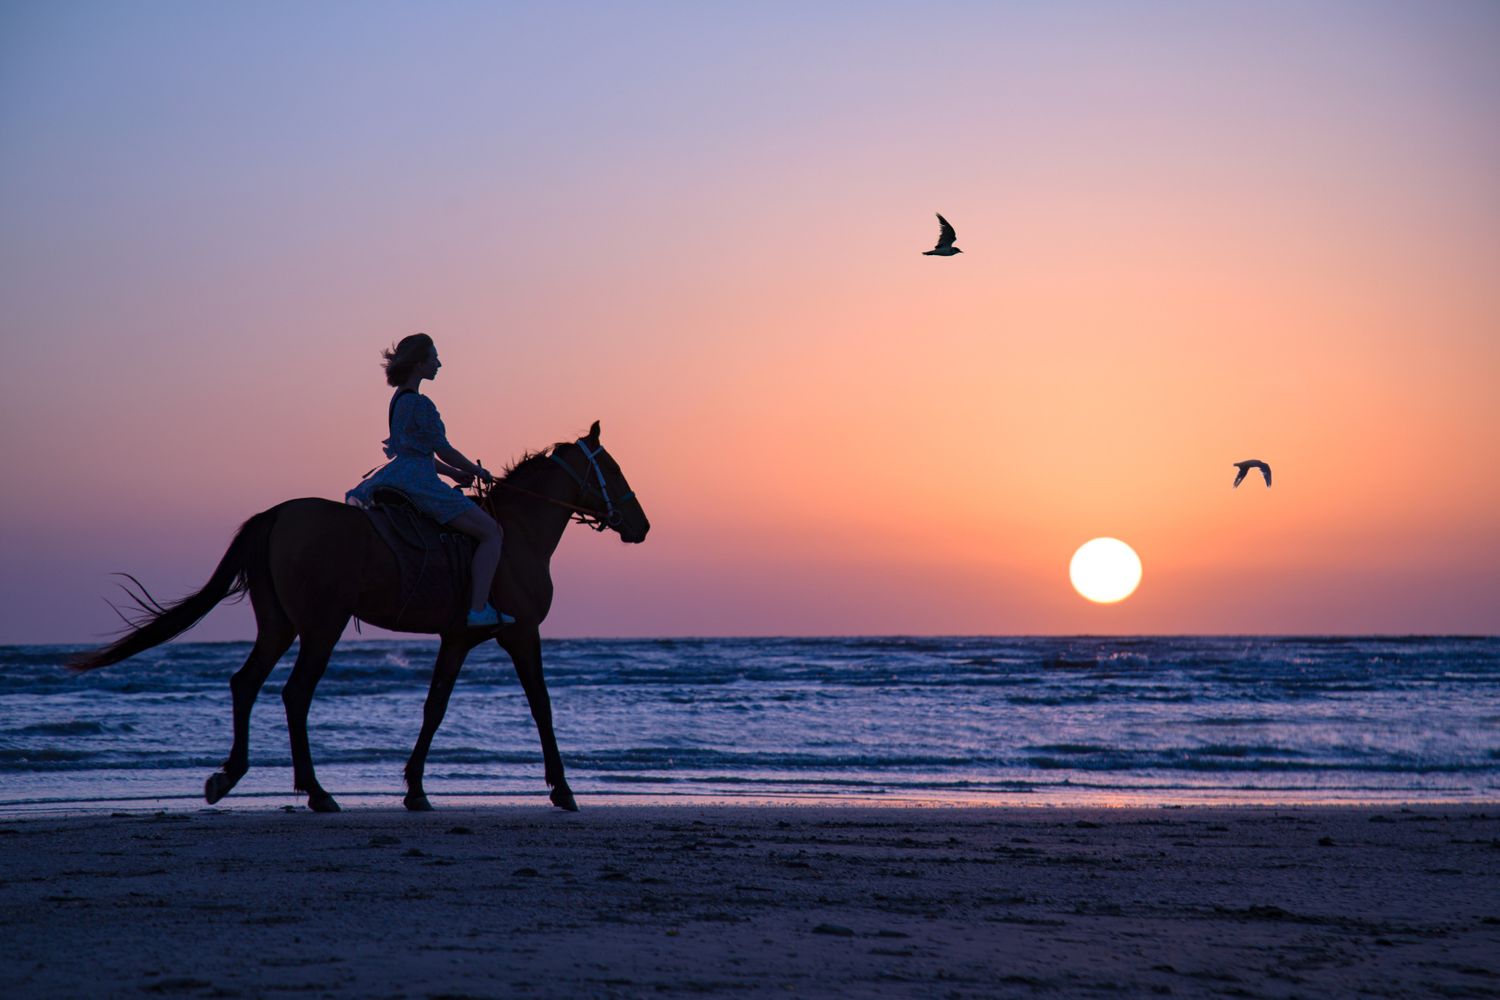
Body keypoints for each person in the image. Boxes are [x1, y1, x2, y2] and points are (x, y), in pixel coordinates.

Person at [346, 333, 512, 628]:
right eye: (434, 358)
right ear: (419, 364)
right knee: (492, 533)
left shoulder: (398, 400)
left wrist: (452, 473)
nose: (439, 364)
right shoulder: (421, 404)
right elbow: (443, 449)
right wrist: (477, 471)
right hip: (419, 483)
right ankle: (478, 609)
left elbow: (415, 452)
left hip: (401, 474)